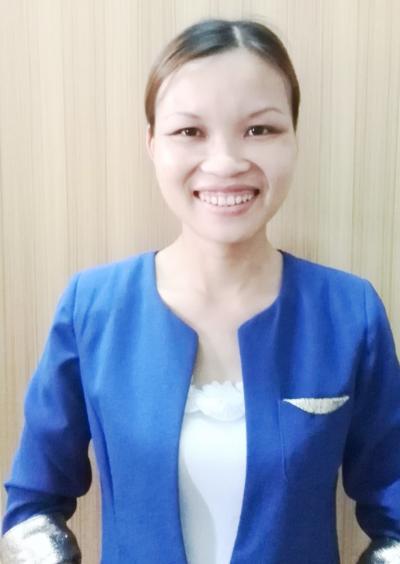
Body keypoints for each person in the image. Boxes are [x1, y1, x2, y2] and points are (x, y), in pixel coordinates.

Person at [1, 17, 400, 564]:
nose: (226, 162)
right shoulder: (92, 309)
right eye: (190, 131)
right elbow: (32, 509)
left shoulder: (349, 313)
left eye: (260, 129)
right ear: (152, 143)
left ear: (294, 138)